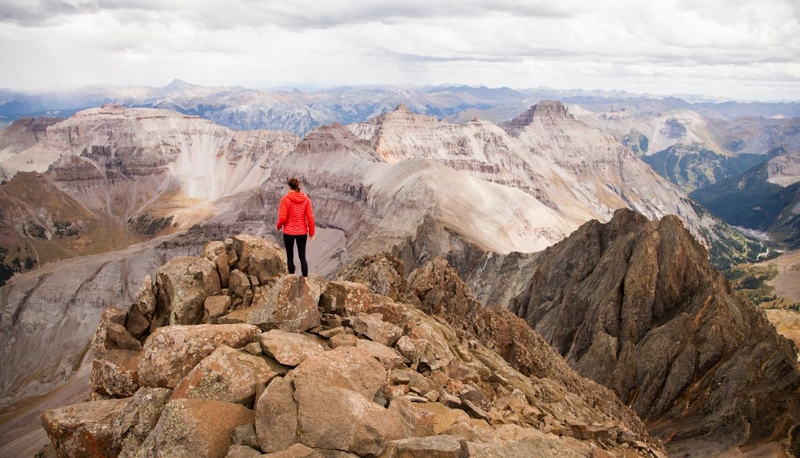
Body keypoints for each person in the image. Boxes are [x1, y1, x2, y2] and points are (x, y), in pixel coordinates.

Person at [276, 177, 315, 277]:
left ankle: (292, 278)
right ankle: (305, 280)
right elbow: (310, 217)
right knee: (302, 257)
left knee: (290, 256)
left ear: (289, 187)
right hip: (302, 232)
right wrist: (311, 233)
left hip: (288, 232)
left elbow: (283, 218)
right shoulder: (305, 199)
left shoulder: (285, 199)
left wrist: (278, 226)